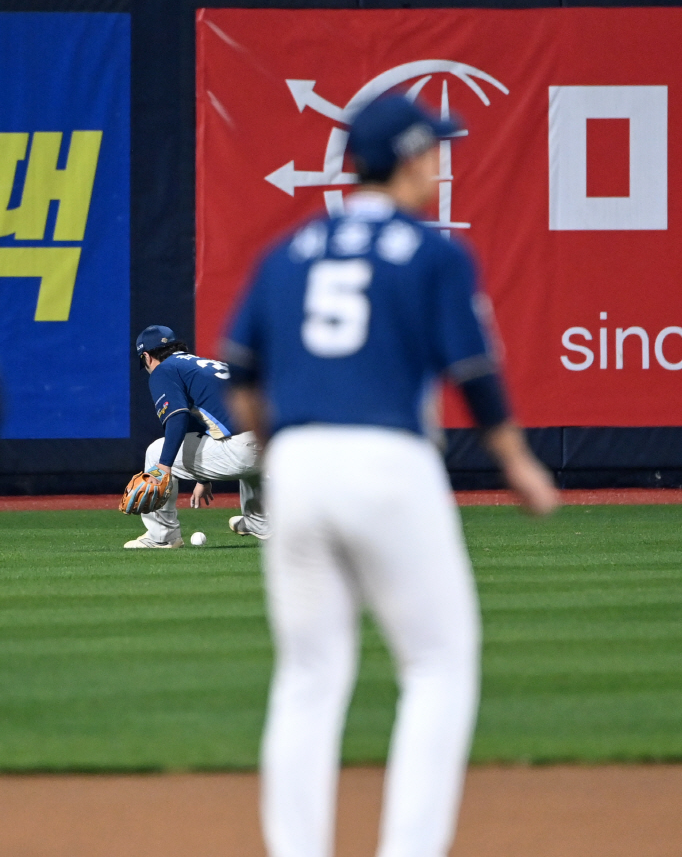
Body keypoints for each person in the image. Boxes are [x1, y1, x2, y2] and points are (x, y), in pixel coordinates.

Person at [221, 92, 559, 857]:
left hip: (299, 463)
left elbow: (240, 376)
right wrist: (517, 464)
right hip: (388, 461)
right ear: (408, 160)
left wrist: (283, 454)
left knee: (307, 675)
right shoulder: (433, 253)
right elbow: (473, 369)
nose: (440, 163)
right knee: (438, 667)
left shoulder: (290, 250)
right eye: (433, 150)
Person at [124, 326, 268, 548]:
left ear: (146, 356)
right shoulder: (200, 364)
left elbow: (178, 418)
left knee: (155, 452)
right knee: (249, 451)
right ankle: (260, 522)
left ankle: (162, 537)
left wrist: (163, 467)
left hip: (243, 448)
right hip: (271, 442)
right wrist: (202, 477)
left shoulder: (164, 369)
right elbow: (200, 423)